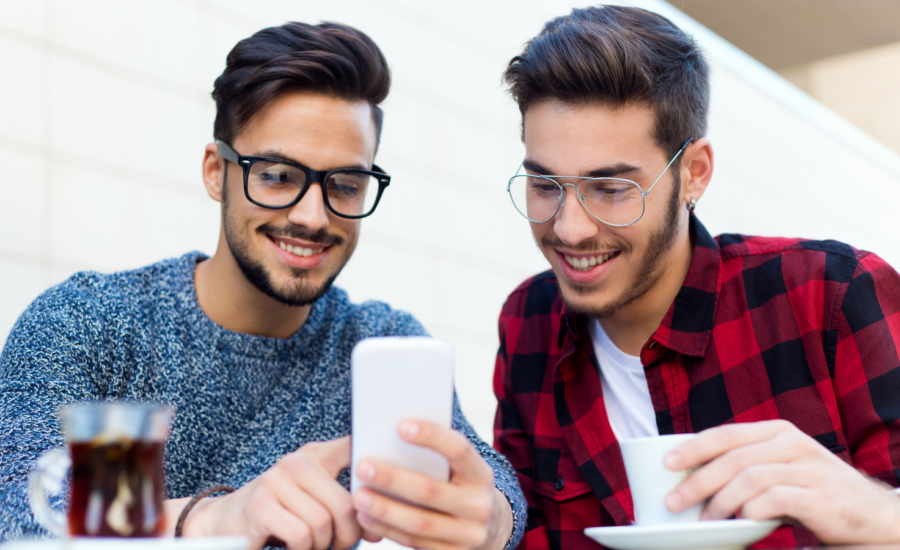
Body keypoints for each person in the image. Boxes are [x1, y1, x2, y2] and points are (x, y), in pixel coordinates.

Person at [0, 21, 525, 550]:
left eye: (345, 185)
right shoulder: (94, 325)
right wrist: (212, 520)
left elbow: (495, 483)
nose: (313, 216)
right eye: (277, 176)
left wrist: (491, 519)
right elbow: (21, 513)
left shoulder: (378, 342)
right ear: (215, 172)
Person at [491, 5, 900, 549]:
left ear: (694, 174)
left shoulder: (831, 296)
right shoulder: (528, 323)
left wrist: (873, 514)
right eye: (545, 186)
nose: (570, 230)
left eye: (612, 190)